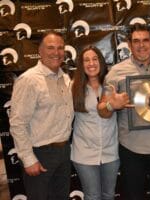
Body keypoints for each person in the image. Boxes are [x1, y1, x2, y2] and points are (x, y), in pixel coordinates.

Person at [98, 23, 150, 200]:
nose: (141, 45)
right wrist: (111, 105)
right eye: (136, 41)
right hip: (132, 149)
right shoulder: (116, 72)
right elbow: (102, 111)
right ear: (129, 44)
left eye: (145, 40)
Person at [9, 31, 74, 200]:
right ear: (40, 51)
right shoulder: (29, 80)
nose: (56, 52)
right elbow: (17, 123)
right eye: (50, 47)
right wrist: (28, 159)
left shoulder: (65, 78)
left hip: (64, 152)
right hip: (40, 153)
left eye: (60, 48)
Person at [71, 46, 127, 200]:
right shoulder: (73, 87)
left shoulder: (112, 85)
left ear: (101, 62)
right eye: (86, 60)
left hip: (111, 153)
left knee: (109, 195)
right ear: (81, 65)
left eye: (95, 59)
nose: (91, 63)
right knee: (93, 196)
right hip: (84, 154)